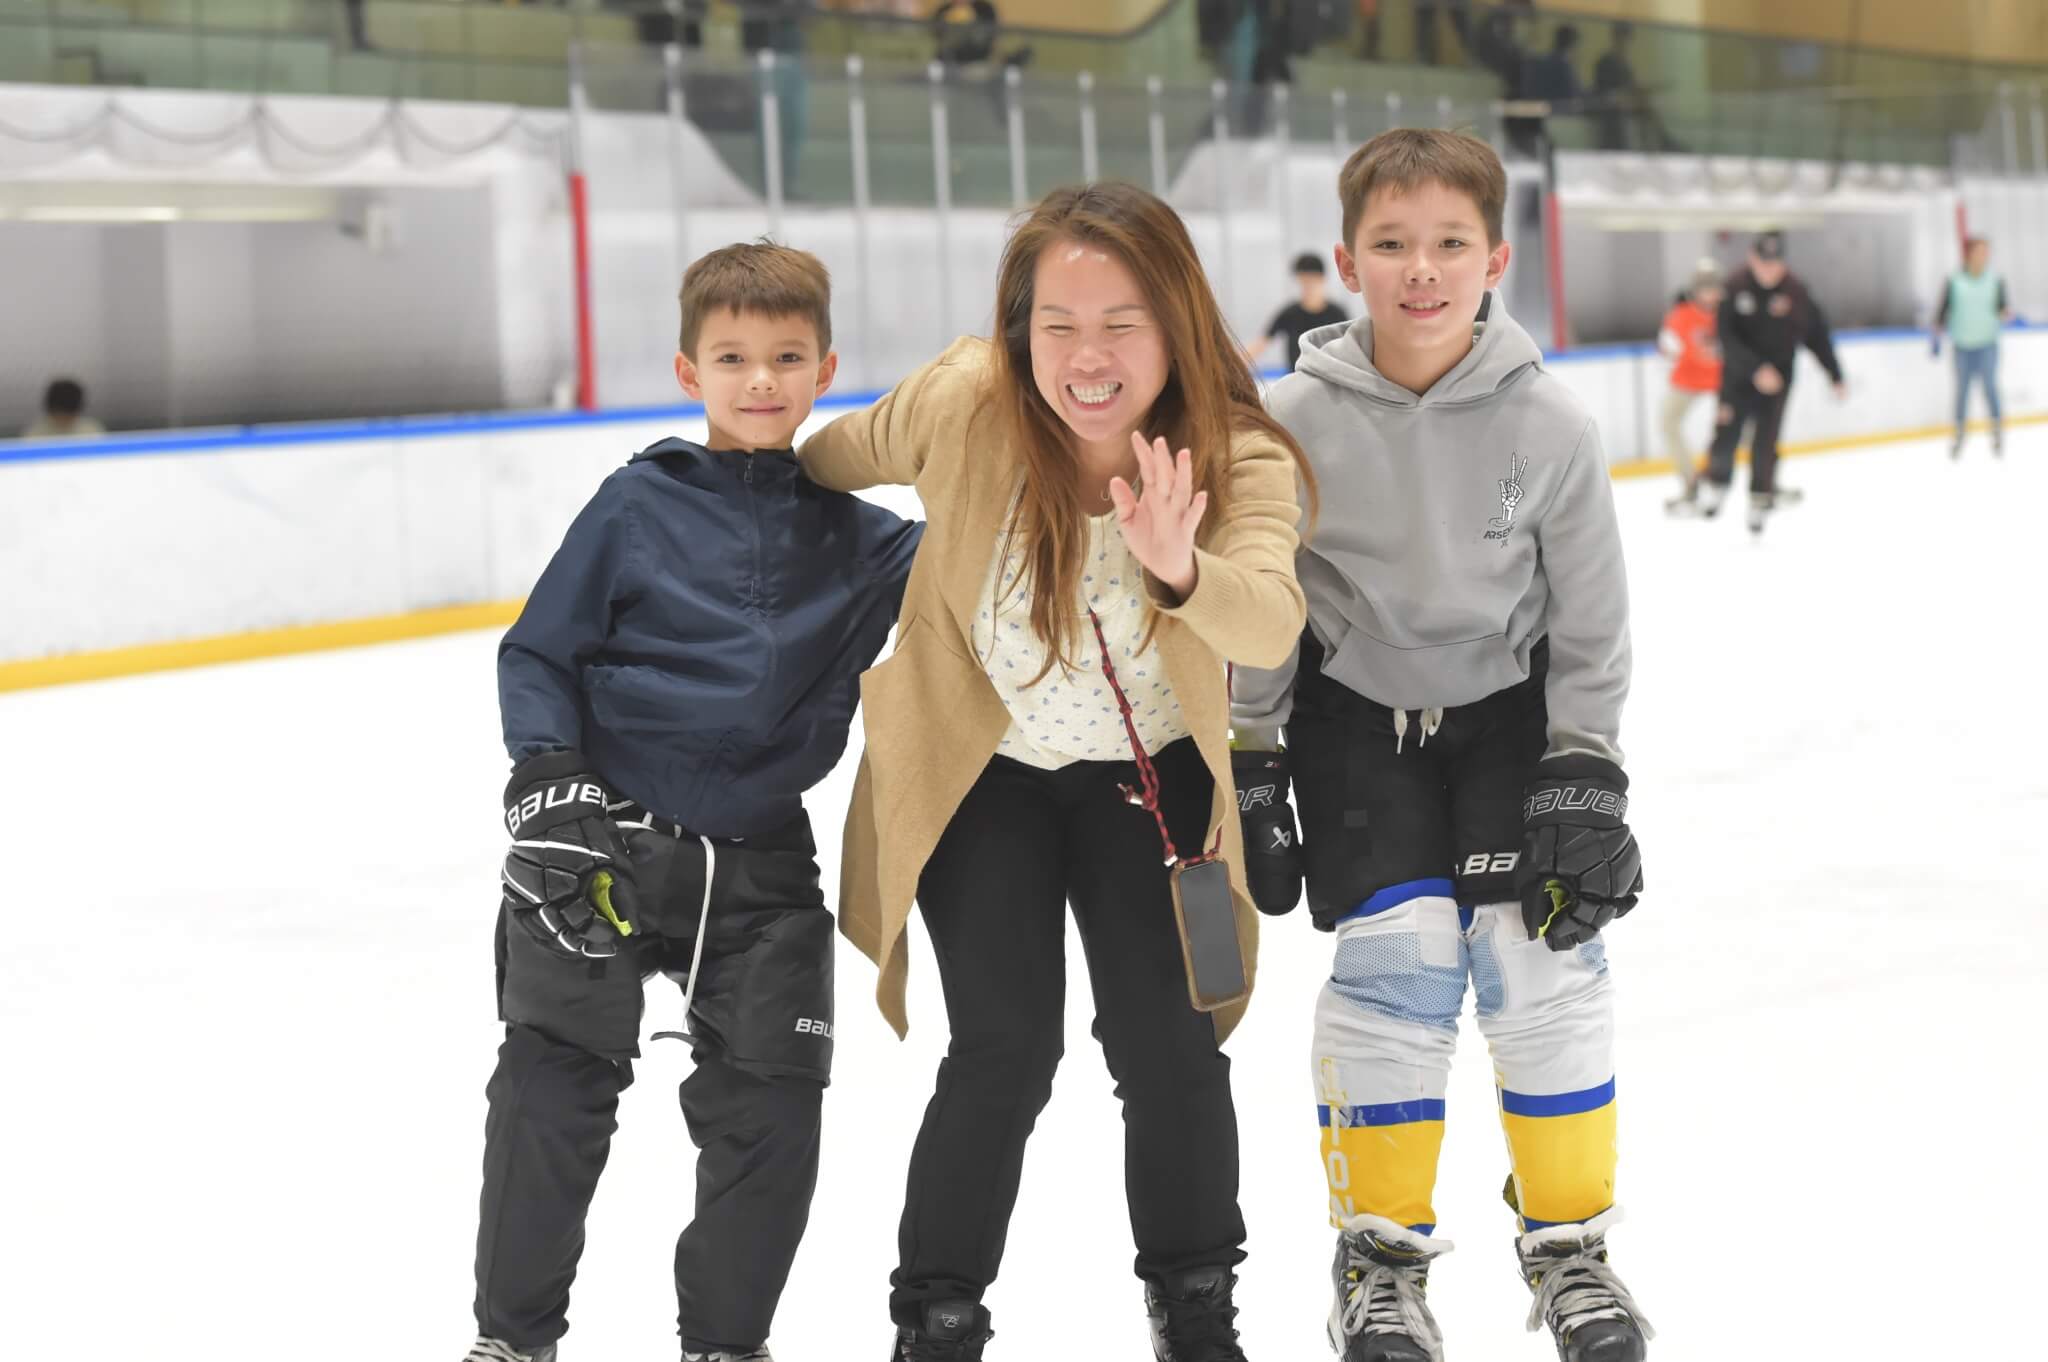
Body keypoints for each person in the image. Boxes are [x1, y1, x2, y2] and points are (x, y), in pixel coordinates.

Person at [796, 181, 1315, 1361]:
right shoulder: (964, 401)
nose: (1086, 356)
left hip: (1151, 783)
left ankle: (1194, 1306)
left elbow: (1268, 623)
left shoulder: (1233, 454)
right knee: (1002, 1047)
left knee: (1170, 1044)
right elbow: (825, 459)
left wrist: (1181, 568)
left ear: (1176, 322)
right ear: (1017, 326)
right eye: (1058, 323)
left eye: (1121, 322)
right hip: (986, 776)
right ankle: (937, 1311)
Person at [1231, 128, 1653, 1362]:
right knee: (1394, 979)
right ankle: (1379, 1259)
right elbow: (1266, 597)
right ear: (1348, 260)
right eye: (1391, 245)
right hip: (1353, 723)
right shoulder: (1285, 421)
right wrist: (1251, 754)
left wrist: (1585, 767)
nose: (1421, 269)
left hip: (1508, 725)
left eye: (1449, 245)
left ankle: (1570, 1248)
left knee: (1540, 975)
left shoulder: (1551, 427)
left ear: (1495, 258)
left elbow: (1591, 617)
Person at [466, 243, 923, 1362]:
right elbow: (539, 652)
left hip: (763, 859)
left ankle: (726, 1343)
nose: (759, 380)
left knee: (772, 1109)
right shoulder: (633, 504)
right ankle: (511, 1343)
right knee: (551, 1090)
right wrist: (544, 784)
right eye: (732, 357)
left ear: (824, 369)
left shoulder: (871, 546)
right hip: (606, 836)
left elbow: (994, 564)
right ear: (687, 370)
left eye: (783, 357)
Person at [1698, 230, 1846, 534]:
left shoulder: (1796, 292)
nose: (1768, 270)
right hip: (1738, 378)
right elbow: (1726, 337)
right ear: (1752, 258)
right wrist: (1755, 370)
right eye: (1763, 262)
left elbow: (1817, 335)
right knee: (1727, 434)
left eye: (1774, 263)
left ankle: (1760, 496)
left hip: (1778, 380)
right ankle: (1717, 483)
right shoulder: (1734, 287)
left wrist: (1835, 374)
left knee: (1766, 440)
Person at [1933, 235, 2013, 459]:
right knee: (1962, 391)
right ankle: (1959, 434)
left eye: (1986, 252)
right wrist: (1937, 329)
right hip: (1962, 345)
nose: (1984, 256)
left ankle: (1997, 430)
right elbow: (1943, 310)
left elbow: (2002, 306)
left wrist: (2005, 313)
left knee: (1989, 387)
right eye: (1979, 251)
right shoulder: (1954, 280)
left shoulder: (1995, 280)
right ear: (1969, 254)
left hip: (1987, 343)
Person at [1658, 259, 1724, 514]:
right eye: (1703, 288)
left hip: (1723, 380)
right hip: (1687, 378)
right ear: (1694, 290)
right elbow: (1667, 348)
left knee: (1739, 428)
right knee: (1667, 421)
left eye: (1713, 287)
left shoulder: (1729, 314)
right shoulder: (1680, 315)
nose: (1709, 293)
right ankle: (1691, 482)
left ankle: (1750, 478)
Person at [1249, 252, 1353, 373]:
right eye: (1304, 281)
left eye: (1312, 281)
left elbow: (1351, 348)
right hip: (1296, 380)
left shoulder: (1337, 314)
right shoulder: (1289, 313)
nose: (1308, 286)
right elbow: (1261, 343)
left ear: (1322, 279)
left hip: (1330, 380)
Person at [20, 378, 106, 439]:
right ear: (51, 411)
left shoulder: (92, 432)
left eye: (68, 416)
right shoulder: (35, 436)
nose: (64, 420)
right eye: (60, 415)